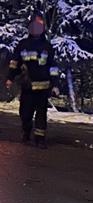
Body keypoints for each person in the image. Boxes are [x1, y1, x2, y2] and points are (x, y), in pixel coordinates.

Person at [4, 13, 60, 149]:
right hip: (27, 87)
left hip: (43, 88)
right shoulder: (23, 44)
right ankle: (26, 132)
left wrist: (55, 85)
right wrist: (10, 78)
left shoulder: (47, 46)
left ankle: (40, 139)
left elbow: (52, 66)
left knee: (41, 114)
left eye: (40, 25)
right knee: (25, 114)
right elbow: (14, 63)